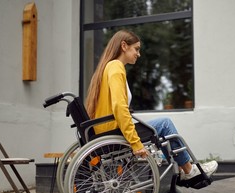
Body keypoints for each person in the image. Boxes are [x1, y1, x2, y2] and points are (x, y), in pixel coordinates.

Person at [85, 29, 217, 181]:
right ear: (124, 46)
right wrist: (136, 143)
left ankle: (184, 168)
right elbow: (119, 108)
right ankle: (189, 170)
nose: (138, 54)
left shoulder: (108, 67)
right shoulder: (115, 67)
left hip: (107, 131)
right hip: (114, 132)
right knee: (165, 124)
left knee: (159, 128)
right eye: (136, 49)